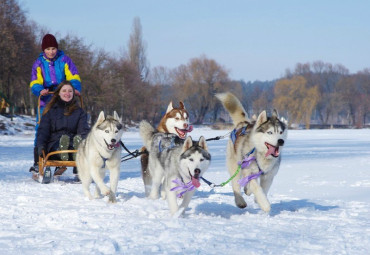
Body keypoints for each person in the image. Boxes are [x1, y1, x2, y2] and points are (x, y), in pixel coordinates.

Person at [29, 33, 82, 173]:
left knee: (66, 126)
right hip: (46, 99)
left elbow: (74, 76)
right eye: (48, 49)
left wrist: (75, 88)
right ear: (43, 50)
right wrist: (40, 90)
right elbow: (35, 81)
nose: (51, 52)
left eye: (53, 48)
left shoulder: (64, 60)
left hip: (63, 96)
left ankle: (67, 155)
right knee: (42, 129)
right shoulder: (38, 63)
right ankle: (38, 160)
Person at [36, 81, 89, 176]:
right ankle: (64, 152)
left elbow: (83, 130)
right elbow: (43, 131)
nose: (67, 94)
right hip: (54, 142)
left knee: (78, 141)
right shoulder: (50, 111)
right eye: (64, 91)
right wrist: (41, 146)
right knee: (60, 144)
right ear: (58, 93)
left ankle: (76, 152)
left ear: (73, 94)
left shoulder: (79, 112)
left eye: (70, 91)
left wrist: (86, 143)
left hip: (73, 141)